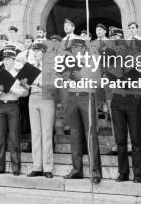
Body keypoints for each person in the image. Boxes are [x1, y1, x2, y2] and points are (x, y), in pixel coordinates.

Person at [104, 29, 141, 183]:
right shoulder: (110, 62)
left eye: (120, 43)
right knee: (120, 140)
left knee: (135, 139)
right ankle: (123, 173)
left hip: (132, 101)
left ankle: (138, 173)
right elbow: (109, 79)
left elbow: (138, 78)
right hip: (117, 101)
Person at [61, 38, 102, 182]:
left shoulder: (92, 60)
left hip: (86, 96)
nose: (75, 50)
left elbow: (97, 81)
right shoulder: (68, 61)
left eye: (78, 48)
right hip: (72, 96)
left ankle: (95, 171)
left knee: (90, 134)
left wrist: (83, 76)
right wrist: (65, 77)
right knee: (75, 135)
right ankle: (77, 169)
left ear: (84, 48)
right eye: (73, 48)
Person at [0, 48, 29, 176]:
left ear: (14, 60)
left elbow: (25, 92)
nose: (6, 61)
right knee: (0, 138)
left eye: (8, 59)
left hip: (13, 105)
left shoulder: (18, 74)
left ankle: (15, 167)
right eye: (5, 59)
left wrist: (13, 90)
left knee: (14, 137)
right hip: (1, 105)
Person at [23, 41, 55, 178]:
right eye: (34, 51)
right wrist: (24, 84)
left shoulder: (50, 67)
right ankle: (37, 165)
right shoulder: (30, 67)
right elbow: (25, 89)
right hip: (32, 98)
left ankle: (48, 167)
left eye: (38, 51)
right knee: (35, 134)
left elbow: (53, 84)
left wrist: (36, 83)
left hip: (46, 98)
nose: (36, 53)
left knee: (46, 133)